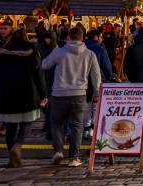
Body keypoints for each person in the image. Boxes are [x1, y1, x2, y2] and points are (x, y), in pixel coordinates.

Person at [0, 26, 47, 167]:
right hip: (28, 92)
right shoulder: (31, 51)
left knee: (11, 126)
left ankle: (11, 156)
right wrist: (43, 93)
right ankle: (18, 146)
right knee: (26, 123)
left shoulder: (1, 50)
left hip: (6, 93)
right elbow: (39, 74)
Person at [41, 25, 100, 167]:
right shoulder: (89, 54)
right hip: (79, 94)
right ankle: (74, 157)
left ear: (68, 37)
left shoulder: (59, 52)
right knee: (77, 126)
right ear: (83, 38)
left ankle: (58, 151)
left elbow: (45, 65)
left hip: (59, 94)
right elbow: (96, 76)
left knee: (57, 123)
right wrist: (97, 92)